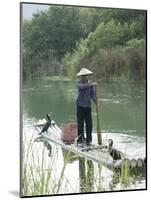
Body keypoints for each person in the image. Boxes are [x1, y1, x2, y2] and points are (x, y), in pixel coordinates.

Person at [76, 67, 97, 146]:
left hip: (88, 106)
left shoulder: (90, 83)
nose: (86, 77)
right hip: (80, 106)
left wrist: (96, 102)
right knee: (80, 124)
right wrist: (91, 84)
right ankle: (80, 140)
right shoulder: (78, 83)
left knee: (89, 124)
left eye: (87, 75)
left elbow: (92, 94)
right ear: (81, 76)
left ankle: (89, 141)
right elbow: (81, 87)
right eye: (84, 76)